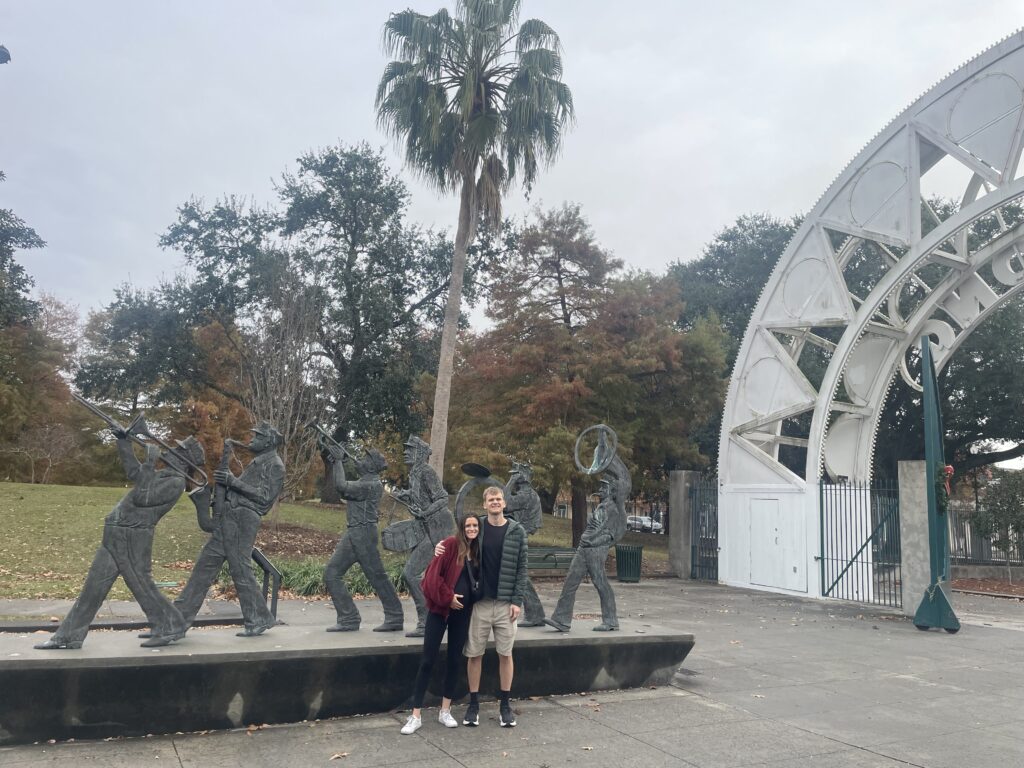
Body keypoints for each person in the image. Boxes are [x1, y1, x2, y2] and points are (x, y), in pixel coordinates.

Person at [35, 434, 205, 649]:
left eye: (176, 449)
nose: (169, 449)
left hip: (132, 537)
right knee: (94, 587)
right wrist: (123, 442)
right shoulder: (164, 474)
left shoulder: (175, 482)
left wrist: (150, 463)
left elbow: (142, 497)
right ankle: (70, 635)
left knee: (141, 585)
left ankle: (170, 624)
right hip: (117, 533)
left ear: (183, 459)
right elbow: (135, 473)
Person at [175, 421, 285, 637]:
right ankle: (175, 623)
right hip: (231, 517)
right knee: (204, 568)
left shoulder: (276, 466)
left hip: (244, 519)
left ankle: (258, 618)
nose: (251, 440)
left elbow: (264, 498)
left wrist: (232, 482)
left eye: (257, 437)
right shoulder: (258, 461)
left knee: (240, 569)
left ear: (269, 441)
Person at [438, 486, 527, 728]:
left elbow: (521, 569)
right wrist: (439, 548)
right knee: (474, 654)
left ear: (504, 503)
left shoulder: (517, 531)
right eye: (491, 500)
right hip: (481, 603)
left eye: (499, 499)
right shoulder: (478, 529)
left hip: (506, 604)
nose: (495, 502)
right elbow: (456, 543)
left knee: (505, 654)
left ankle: (505, 704)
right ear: (485, 504)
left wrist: (517, 601)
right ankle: (473, 703)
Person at [400, 513, 481, 735]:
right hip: (440, 611)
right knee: (428, 660)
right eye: (468, 525)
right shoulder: (450, 544)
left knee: (455, 660)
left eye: (475, 525)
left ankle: (445, 710)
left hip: (462, 614)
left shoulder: (476, 551)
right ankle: (415, 714)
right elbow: (431, 579)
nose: (472, 529)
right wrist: (449, 598)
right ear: (462, 527)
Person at [323, 446, 404, 632]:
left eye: (365, 458)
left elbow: (341, 486)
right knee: (332, 573)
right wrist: (339, 463)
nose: (360, 458)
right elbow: (343, 490)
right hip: (355, 533)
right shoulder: (365, 482)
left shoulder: (371, 484)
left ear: (371, 466)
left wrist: (337, 462)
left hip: (363, 534)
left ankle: (394, 616)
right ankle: (349, 618)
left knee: (377, 577)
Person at [384, 436, 452, 637]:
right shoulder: (415, 472)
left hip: (437, 529)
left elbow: (442, 498)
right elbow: (420, 496)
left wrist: (425, 512)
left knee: (411, 573)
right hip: (424, 529)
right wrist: (406, 495)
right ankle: (434, 620)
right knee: (423, 577)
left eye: (410, 449)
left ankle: (427, 622)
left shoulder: (426, 471)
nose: (405, 452)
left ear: (420, 453)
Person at [544, 476, 621, 632]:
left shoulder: (612, 509)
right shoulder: (601, 507)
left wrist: (593, 542)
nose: (600, 489)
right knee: (570, 581)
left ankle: (611, 620)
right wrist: (585, 540)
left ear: (612, 491)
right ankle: (561, 619)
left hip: (596, 549)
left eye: (604, 487)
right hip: (584, 547)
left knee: (600, 583)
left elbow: (611, 535)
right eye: (601, 486)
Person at [502, 462, 545, 627]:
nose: (513, 477)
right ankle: (536, 613)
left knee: (519, 576)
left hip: (520, 536)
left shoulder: (526, 494)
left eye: (515, 475)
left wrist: (510, 481)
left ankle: (536, 614)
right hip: (518, 534)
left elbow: (505, 502)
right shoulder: (526, 494)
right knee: (518, 575)